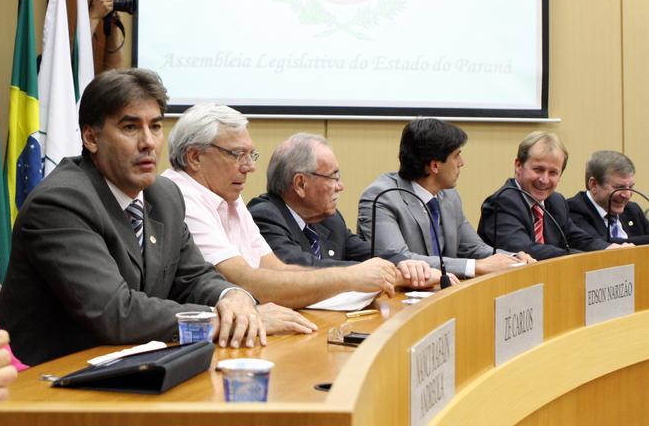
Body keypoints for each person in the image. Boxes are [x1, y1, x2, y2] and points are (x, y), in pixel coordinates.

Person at [0, 69, 263, 366]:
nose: (148, 142)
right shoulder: (60, 202)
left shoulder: (165, 196)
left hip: (130, 365)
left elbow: (194, 277)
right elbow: (114, 312)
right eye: (130, 127)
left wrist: (232, 297)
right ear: (91, 138)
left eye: (155, 126)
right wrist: (219, 318)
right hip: (47, 379)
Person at [162, 105, 437, 316]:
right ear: (195, 157)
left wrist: (375, 273)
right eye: (237, 155)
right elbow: (245, 282)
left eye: (251, 155)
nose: (250, 167)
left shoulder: (229, 197)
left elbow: (276, 269)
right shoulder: (180, 196)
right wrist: (351, 277)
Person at [247, 132, 455, 286]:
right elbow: (299, 268)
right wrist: (386, 275)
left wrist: (405, 264)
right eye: (333, 177)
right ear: (300, 184)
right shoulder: (264, 216)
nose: (340, 186)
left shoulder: (329, 219)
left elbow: (368, 253)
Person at [358, 118, 534, 280]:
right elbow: (399, 259)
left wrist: (513, 259)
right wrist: (475, 266)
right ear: (435, 165)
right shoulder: (381, 197)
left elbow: (473, 248)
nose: (462, 162)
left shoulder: (449, 195)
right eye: (456, 156)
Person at [478, 132, 624, 260]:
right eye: (538, 169)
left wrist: (607, 249)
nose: (544, 180)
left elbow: (576, 238)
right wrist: (579, 257)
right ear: (518, 166)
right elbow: (525, 249)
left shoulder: (556, 201)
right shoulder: (502, 202)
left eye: (553, 172)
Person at [567, 150, 649, 245]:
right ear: (593, 185)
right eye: (619, 187)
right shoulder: (573, 209)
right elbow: (598, 244)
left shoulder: (632, 210)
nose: (627, 195)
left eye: (630, 187)